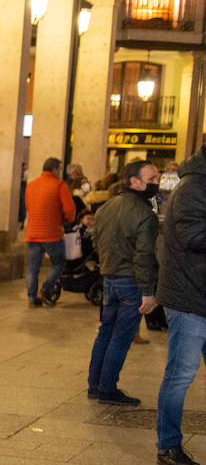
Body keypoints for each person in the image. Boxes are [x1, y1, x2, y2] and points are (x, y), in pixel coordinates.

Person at [86, 161, 160, 407]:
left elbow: (96, 242)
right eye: (152, 178)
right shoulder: (145, 215)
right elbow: (144, 256)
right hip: (131, 282)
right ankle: (108, 389)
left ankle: (95, 385)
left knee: (106, 331)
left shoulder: (106, 207)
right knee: (121, 336)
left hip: (109, 277)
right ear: (134, 182)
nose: (157, 182)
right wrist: (149, 292)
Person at [154, 145, 206, 465]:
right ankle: (168, 444)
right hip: (189, 297)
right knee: (180, 375)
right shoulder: (192, 187)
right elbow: (193, 235)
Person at [24, 157, 76, 307]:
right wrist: (68, 220)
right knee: (59, 263)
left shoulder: (31, 185)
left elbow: (28, 206)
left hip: (32, 232)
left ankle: (31, 298)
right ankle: (45, 290)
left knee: (32, 267)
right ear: (54, 169)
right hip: (51, 233)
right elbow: (69, 209)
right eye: (59, 169)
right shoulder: (59, 185)